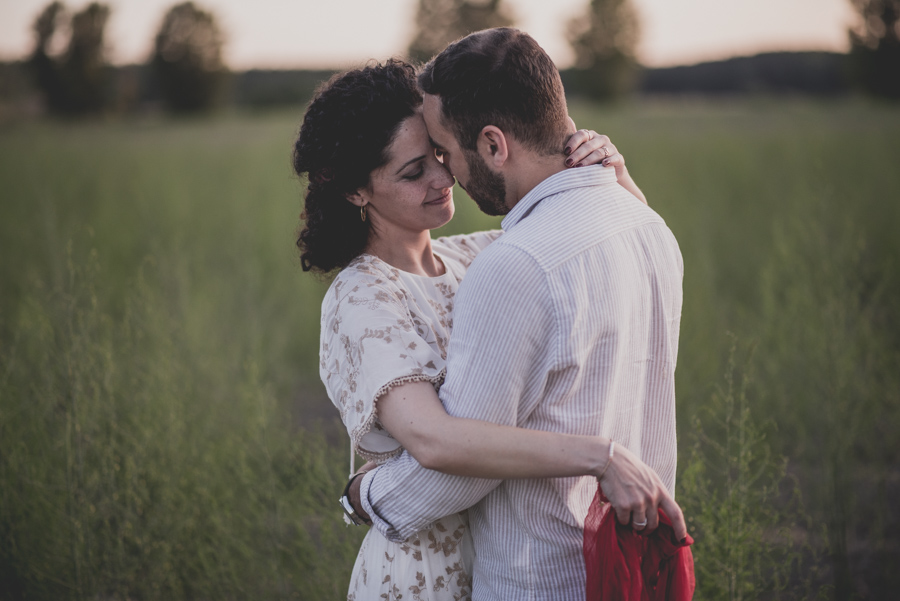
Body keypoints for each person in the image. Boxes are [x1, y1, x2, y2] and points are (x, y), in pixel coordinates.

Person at [292, 59, 658, 600]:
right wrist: (599, 457)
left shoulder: (480, 257)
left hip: (508, 558)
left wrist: (611, 177)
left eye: (440, 155)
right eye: (413, 172)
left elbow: (612, 249)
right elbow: (433, 441)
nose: (444, 179)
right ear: (355, 192)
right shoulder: (363, 297)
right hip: (425, 573)